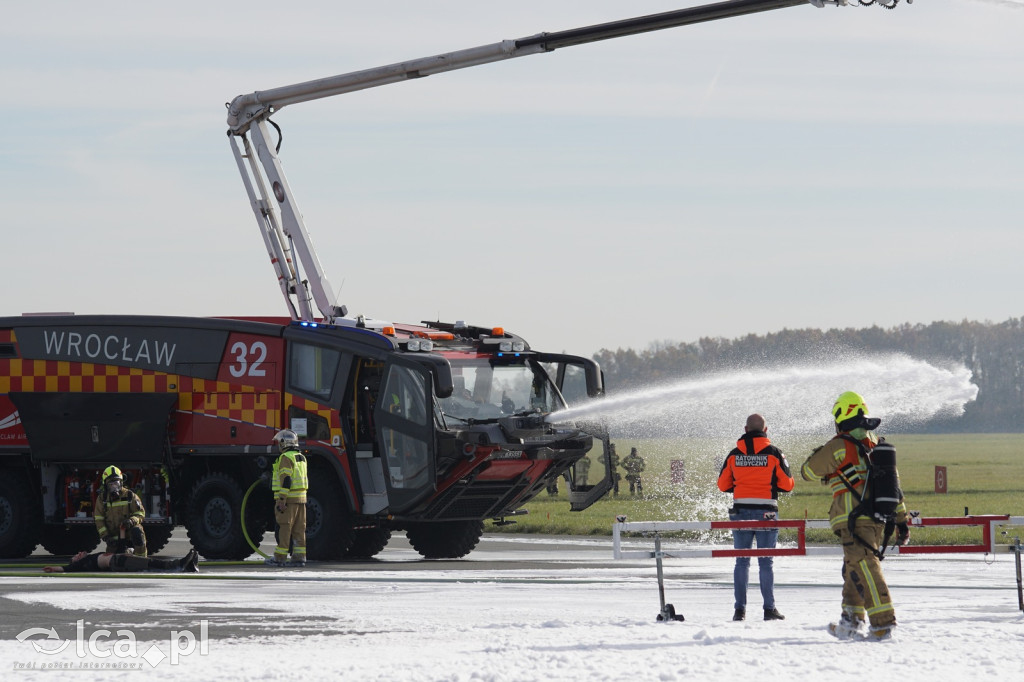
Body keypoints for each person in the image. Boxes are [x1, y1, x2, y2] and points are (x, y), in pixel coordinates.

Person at [800, 391, 910, 641]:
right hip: (877, 518)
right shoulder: (876, 444)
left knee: (865, 566)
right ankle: (851, 620)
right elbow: (895, 488)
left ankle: (883, 624)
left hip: (853, 518)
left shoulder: (839, 445)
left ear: (841, 416)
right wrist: (902, 521)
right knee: (854, 567)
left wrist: (818, 452)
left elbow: (808, 471)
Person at [717, 413, 794, 622]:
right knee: (766, 563)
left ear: (745, 430)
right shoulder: (774, 453)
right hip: (767, 512)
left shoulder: (734, 454)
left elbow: (722, 485)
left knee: (741, 562)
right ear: (765, 430)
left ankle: (739, 610)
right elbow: (787, 484)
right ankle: (769, 609)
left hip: (740, 512)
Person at [266, 429, 309, 567]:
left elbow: (286, 479)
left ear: (284, 443)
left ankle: (280, 557)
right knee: (299, 529)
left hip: (289, 500)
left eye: (280, 442)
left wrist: (282, 499)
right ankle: (299, 557)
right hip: (301, 499)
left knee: (285, 527)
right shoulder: (301, 457)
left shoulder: (285, 457)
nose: (279, 445)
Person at [94, 466, 148, 557]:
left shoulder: (130, 495)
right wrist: (106, 537)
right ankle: (126, 553)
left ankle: (142, 559)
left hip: (129, 533)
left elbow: (140, 513)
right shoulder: (102, 499)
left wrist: (131, 521)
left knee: (137, 531)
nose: (114, 487)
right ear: (105, 485)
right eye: (111, 484)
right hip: (113, 537)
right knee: (114, 560)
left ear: (121, 482)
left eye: (116, 483)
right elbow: (99, 520)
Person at [44, 549, 199, 573]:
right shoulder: (81, 564)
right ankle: (179, 565)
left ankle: (187, 566)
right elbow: (66, 569)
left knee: (149, 563)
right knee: (150, 564)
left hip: (120, 560)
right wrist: (53, 569)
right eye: (76, 556)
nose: (79, 554)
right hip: (118, 563)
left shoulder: (89, 558)